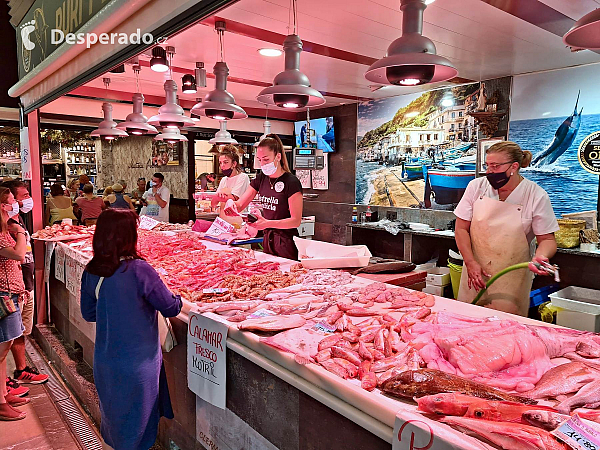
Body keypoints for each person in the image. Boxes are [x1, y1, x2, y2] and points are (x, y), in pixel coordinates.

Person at [80, 209, 181, 449]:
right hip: (138, 364)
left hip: (106, 361)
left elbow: (89, 313)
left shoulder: (92, 270)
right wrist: (178, 297)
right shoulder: (138, 270)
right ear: (128, 236)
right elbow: (170, 307)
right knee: (138, 427)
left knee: (116, 420)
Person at [454, 141, 559, 316]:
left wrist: (540, 257)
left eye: (495, 166)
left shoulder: (535, 195)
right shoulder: (476, 187)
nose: (489, 172)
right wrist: (470, 262)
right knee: (467, 324)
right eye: (487, 165)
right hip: (475, 274)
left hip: (512, 279)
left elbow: (547, 240)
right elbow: (461, 229)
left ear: (514, 166)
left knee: (506, 331)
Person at [0, 181, 48, 390]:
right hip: (8, 291)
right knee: (8, 339)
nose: (28, 200)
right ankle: (9, 383)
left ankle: (14, 376)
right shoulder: (7, 227)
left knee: (18, 332)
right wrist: (18, 230)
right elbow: (18, 254)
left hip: (21, 285)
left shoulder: (16, 220)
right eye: (21, 197)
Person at [224, 134, 303, 260]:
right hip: (268, 240)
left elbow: (295, 221)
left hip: (286, 243)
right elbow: (240, 204)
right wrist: (232, 205)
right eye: (259, 160)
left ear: (278, 156)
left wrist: (267, 223)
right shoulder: (261, 179)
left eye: (266, 159)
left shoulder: (291, 182)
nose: (262, 164)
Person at [0, 187, 30, 420]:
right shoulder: (2, 232)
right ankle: (0, 402)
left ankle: (4, 393)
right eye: (12, 201)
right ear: (2, 206)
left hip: (12, 292)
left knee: (5, 347)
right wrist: (21, 231)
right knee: (1, 350)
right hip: (3, 296)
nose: (16, 205)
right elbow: (19, 254)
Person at [211, 146, 250, 225]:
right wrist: (215, 197)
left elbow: (234, 198)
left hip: (238, 222)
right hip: (223, 223)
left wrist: (217, 197)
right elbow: (213, 204)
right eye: (220, 163)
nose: (222, 166)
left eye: (225, 162)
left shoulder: (243, 177)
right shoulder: (224, 180)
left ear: (234, 163)